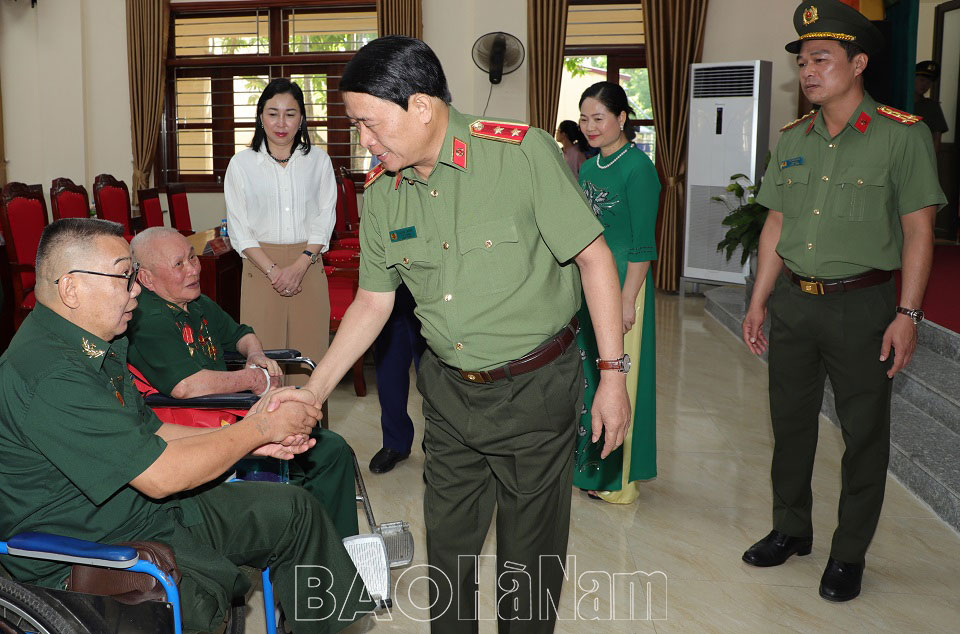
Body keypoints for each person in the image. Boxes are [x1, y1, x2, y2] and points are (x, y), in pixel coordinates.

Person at [295, 36, 630, 633]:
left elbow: (594, 259)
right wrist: (313, 394)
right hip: (448, 395)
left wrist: (611, 374)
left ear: (421, 106)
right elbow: (373, 302)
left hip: (534, 390)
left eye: (370, 125)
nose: (364, 142)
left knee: (528, 561)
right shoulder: (383, 196)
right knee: (448, 555)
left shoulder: (520, 154)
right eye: (357, 127)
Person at [0, 218, 373, 633]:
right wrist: (260, 429)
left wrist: (246, 439)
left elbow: (156, 433)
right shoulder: (48, 373)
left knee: (295, 511)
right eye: (124, 277)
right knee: (203, 602)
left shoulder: (95, 344)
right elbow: (159, 476)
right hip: (90, 550)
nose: (136, 289)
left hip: (143, 512)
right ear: (71, 288)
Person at [741, 0, 945, 603]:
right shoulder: (793, 138)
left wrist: (907, 315)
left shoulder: (901, 137)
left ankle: (848, 552)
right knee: (791, 426)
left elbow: (918, 230)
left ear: (857, 63)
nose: (807, 70)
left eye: (820, 59)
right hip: (796, 306)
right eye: (802, 60)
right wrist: (758, 302)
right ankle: (790, 528)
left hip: (864, 307)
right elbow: (776, 222)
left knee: (863, 436)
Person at [126, 227, 359, 539]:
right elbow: (186, 387)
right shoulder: (148, 318)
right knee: (327, 452)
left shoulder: (195, 303)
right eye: (178, 264)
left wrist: (256, 355)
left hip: (230, 413)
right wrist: (255, 380)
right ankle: (313, 544)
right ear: (147, 279)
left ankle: (328, 546)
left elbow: (240, 334)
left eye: (192, 258)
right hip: (197, 431)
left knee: (326, 448)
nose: (193, 269)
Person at [574, 81, 660, 504]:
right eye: (585, 119)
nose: (590, 126)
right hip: (594, 282)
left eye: (599, 118)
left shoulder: (638, 168)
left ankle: (618, 480)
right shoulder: (589, 168)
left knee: (621, 376)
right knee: (592, 375)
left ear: (622, 118)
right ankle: (590, 469)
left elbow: (644, 245)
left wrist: (627, 299)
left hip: (627, 284)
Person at [225, 77, 336, 386]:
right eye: (273, 113)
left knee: (310, 362)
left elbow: (325, 218)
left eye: (290, 113)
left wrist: (300, 265)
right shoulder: (241, 164)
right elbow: (239, 228)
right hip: (260, 269)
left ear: (302, 118)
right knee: (265, 366)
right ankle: (265, 434)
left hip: (309, 266)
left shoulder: (319, 161)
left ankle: (311, 433)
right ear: (261, 116)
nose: (281, 122)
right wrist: (274, 270)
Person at [369, 282, 426, 474]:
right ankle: (395, 442)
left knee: (430, 375)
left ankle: (438, 448)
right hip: (388, 284)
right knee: (388, 371)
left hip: (427, 285)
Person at [912, 60, 949, 154]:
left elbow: (937, 136)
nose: (925, 85)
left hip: (922, 154)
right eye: (922, 80)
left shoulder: (932, 107)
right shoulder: (899, 102)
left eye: (929, 82)